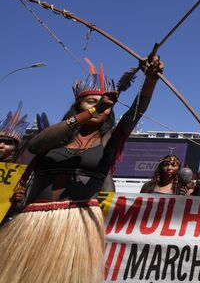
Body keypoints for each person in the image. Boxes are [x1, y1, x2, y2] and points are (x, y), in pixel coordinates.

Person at [0, 56, 164, 283]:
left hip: (79, 224)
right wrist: (91, 112)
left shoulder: (109, 140)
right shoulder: (56, 136)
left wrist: (151, 79)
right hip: (32, 220)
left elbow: (136, 111)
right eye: (91, 102)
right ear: (78, 106)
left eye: (103, 105)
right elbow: (36, 145)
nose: (99, 108)